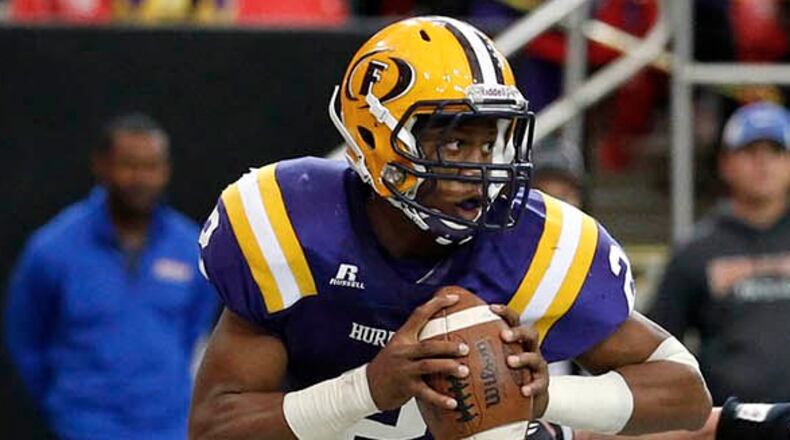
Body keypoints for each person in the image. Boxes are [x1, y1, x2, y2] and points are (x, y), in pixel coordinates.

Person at [189, 16, 710, 440]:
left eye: (490, 145)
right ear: (378, 138)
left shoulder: (537, 247)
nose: (481, 172)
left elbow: (686, 393)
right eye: (456, 144)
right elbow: (214, 428)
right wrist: (366, 390)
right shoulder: (292, 227)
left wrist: (540, 394)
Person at [4, 113, 219, 439]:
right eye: (129, 165)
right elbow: (26, 341)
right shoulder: (52, 249)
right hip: (84, 427)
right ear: (101, 166)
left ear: (166, 170)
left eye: (152, 166)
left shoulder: (192, 247)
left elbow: (197, 332)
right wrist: (66, 406)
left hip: (168, 427)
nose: (141, 178)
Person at [648, 101, 790, 405]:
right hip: (726, 423)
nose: (763, 163)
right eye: (750, 152)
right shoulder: (697, 250)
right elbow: (656, 344)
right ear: (726, 163)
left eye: (775, 152)